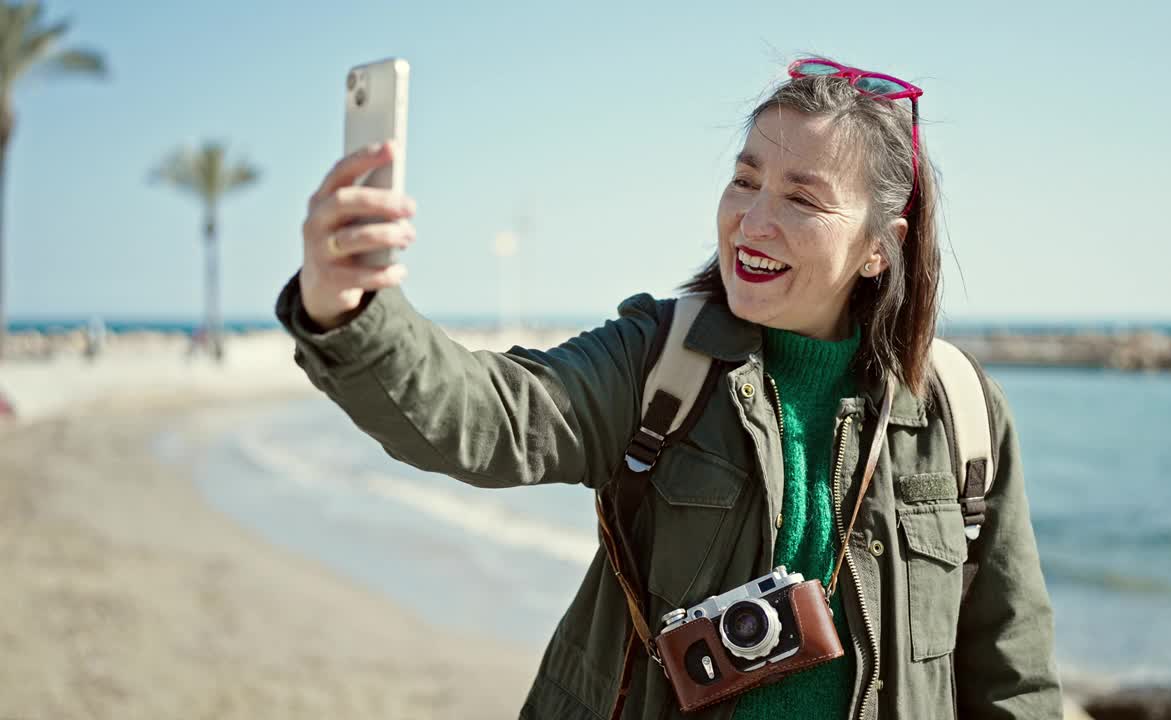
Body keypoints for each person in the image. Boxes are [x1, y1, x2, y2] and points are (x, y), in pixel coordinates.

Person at [275, 56, 1062, 719]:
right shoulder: (662, 361)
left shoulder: (959, 411)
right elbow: (488, 415)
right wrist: (349, 308)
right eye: (745, 179)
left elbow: (1012, 676)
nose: (753, 221)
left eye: (801, 197)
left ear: (878, 250)